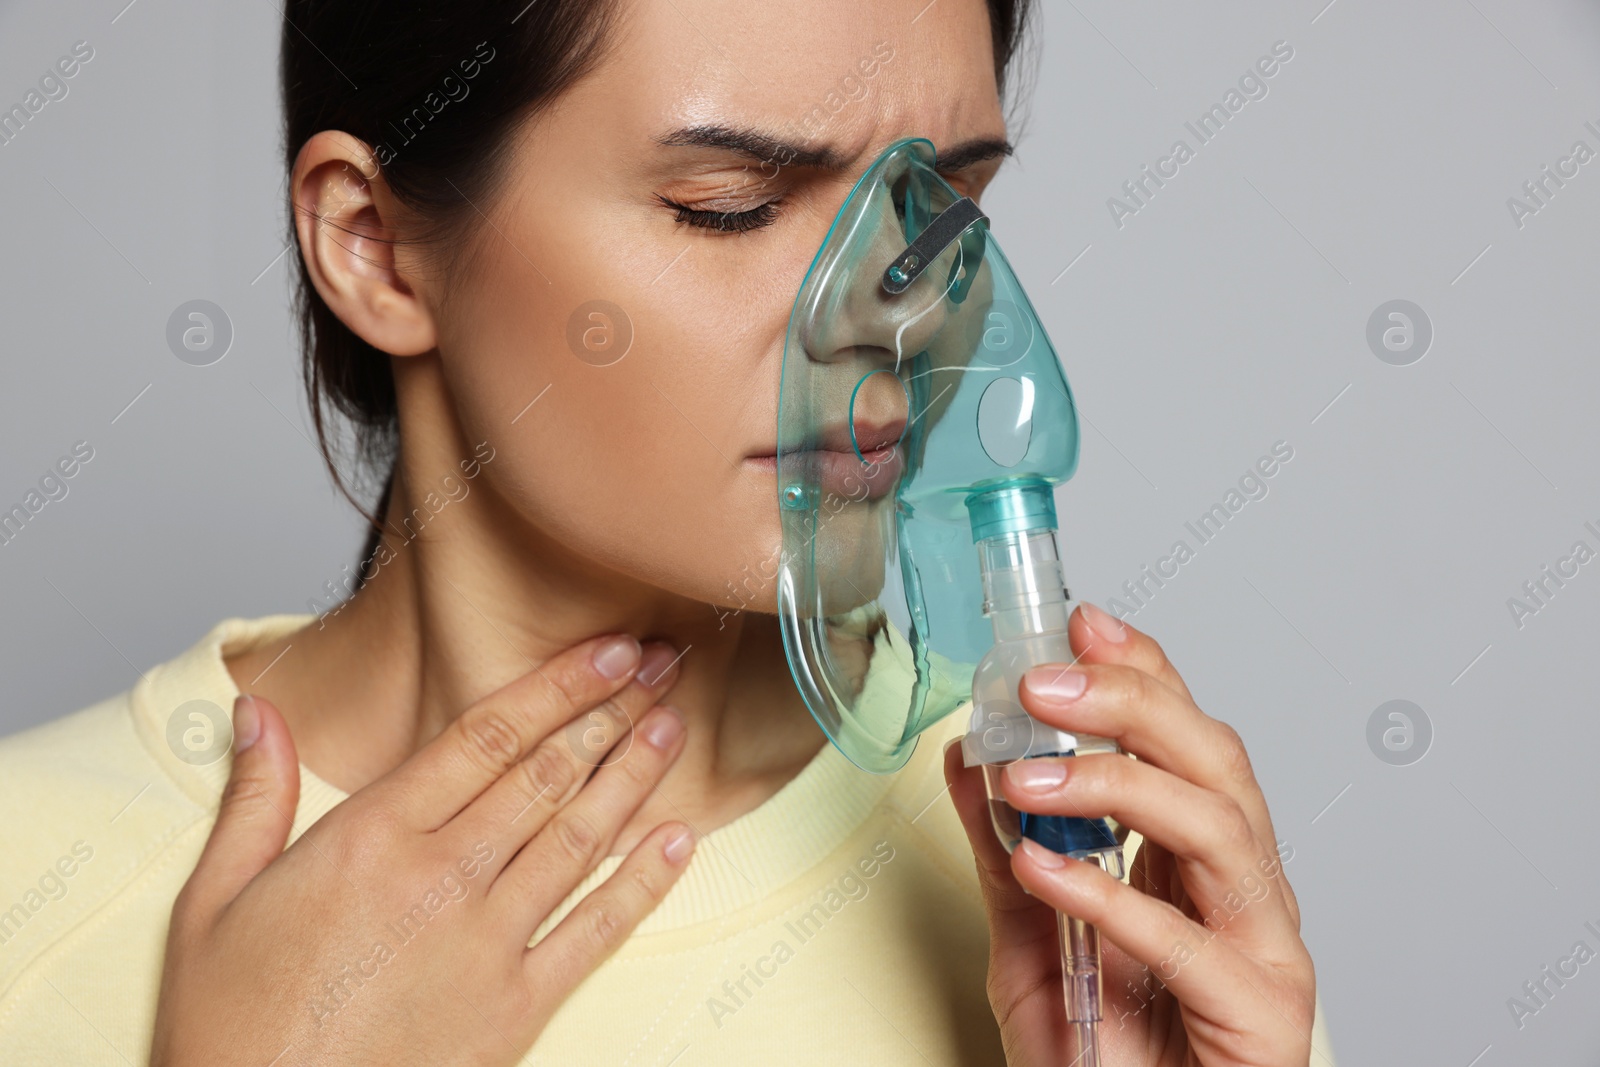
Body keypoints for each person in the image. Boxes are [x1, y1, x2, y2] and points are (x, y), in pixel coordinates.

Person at [0, 0, 1337, 1063]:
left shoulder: (1099, 908)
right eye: (732, 206)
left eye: (944, 215)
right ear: (375, 247)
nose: (883, 313)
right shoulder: (29, 894)